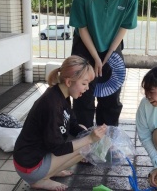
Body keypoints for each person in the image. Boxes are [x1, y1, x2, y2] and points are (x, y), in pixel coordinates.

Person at [13, 55, 107, 191]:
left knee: (83, 133)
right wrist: (89, 138)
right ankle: (41, 180)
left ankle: (51, 170)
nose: (87, 88)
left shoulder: (61, 95)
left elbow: (73, 125)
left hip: (33, 157)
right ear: (69, 82)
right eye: (84, 83)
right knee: (85, 147)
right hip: (29, 166)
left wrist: (90, 134)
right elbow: (58, 149)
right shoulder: (51, 105)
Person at [69, 0, 138, 128]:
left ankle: (105, 145)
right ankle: (82, 145)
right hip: (85, 45)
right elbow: (81, 28)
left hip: (112, 46)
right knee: (83, 96)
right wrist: (95, 57)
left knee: (111, 98)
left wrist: (108, 55)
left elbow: (124, 26)